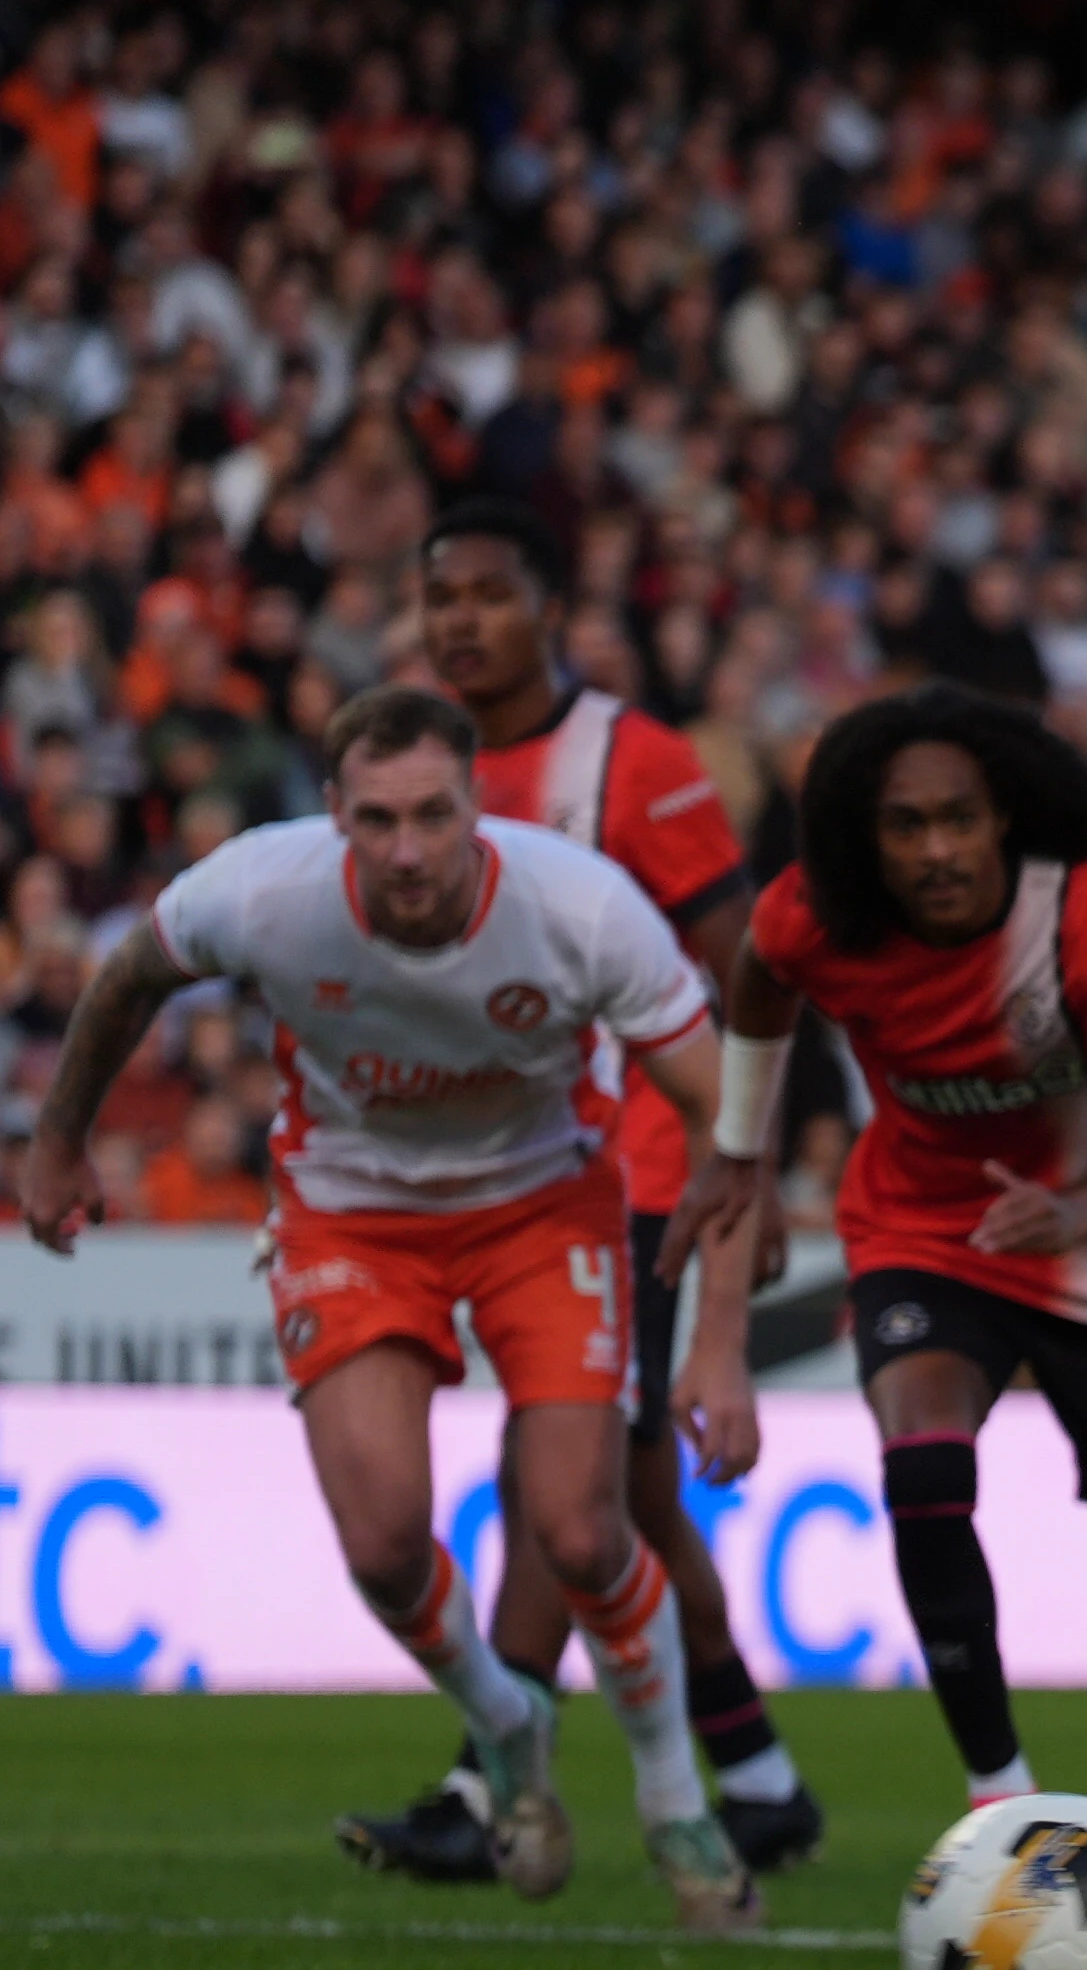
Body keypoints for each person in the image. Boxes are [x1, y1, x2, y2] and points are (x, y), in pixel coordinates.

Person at [25, 685, 768, 1930]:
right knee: (379, 1546)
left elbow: (722, 1121)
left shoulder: (580, 908)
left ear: (480, 804)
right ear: (333, 815)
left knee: (583, 1531)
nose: (409, 850)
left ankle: (672, 1798)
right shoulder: (264, 890)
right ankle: (504, 1723)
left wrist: (724, 1345)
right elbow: (126, 979)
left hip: (544, 1208)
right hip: (352, 1212)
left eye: (434, 814)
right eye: (377, 820)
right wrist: (59, 1138)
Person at [660, 685, 1087, 1961]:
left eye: (959, 819)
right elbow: (756, 973)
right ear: (867, 837)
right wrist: (739, 1142)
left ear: (1004, 815)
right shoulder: (821, 913)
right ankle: (1000, 1803)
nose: (937, 850)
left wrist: (1070, 1215)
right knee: (923, 1465)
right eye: (905, 826)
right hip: (926, 1233)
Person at [333, 500, 822, 1886]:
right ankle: (763, 1779)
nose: (461, 621)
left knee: (562, 1472)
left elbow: (748, 977)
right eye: (442, 598)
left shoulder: (635, 761)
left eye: (489, 593)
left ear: (550, 609)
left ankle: (485, 1789)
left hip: (640, 1174)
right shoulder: (417, 767)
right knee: (637, 1496)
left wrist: (750, 1168)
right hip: (491, 1165)